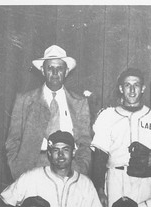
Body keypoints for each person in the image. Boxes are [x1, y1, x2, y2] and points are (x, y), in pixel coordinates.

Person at [0, 131, 105, 207]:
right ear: (49, 153)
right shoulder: (32, 177)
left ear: (73, 152)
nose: (60, 154)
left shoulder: (85, 183)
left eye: (65, 149)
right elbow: (3, 204)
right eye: (55, 150)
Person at [6, 45, 92, 180]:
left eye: (60, 68)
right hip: (32, 169)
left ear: (67, 71)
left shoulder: (79, 103)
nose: (55, 72)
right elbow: (13, 140)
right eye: (50, 68)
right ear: (42, 70)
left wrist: (81, 169)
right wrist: (17, 169)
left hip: (69, 169)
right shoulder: (25, 100)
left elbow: (85, 142)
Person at [90, 68, 151, 207]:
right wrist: (100, 189)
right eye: (127, 85)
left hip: (146, 180)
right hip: (116, 178)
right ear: (121, 88)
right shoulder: (108, 116)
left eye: (136, 85)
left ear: (143, 88)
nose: (132, 90)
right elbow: (99, 157)